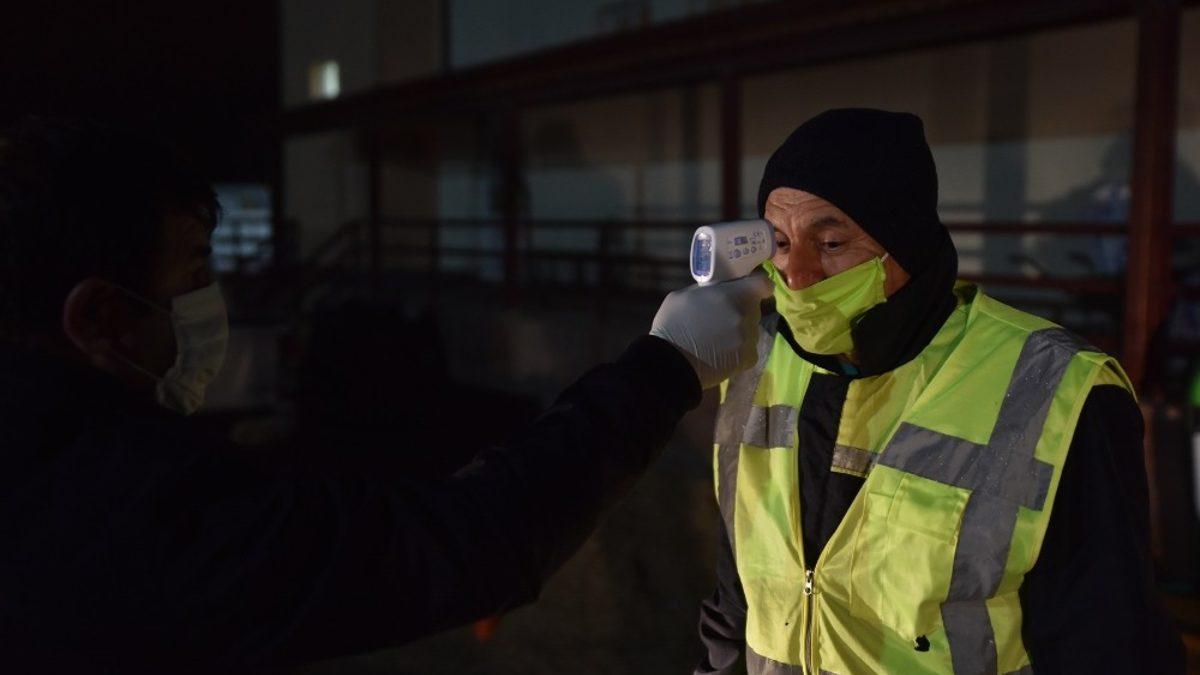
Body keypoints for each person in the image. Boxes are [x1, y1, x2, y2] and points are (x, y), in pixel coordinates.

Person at [0, 117, 772, 671]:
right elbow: (451, 545)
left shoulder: (55, 455)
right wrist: (667, 366)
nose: (214, 295)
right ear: (99, 317)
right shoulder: (115, 509)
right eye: (194, 269)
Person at [693, 109, 1185, 674]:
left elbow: (1110, 643)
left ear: (906, 246)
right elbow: (736, 597)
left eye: (830, 242)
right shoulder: (753, 361)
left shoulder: (1053, 389)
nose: (797, 274)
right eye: (779, 242)